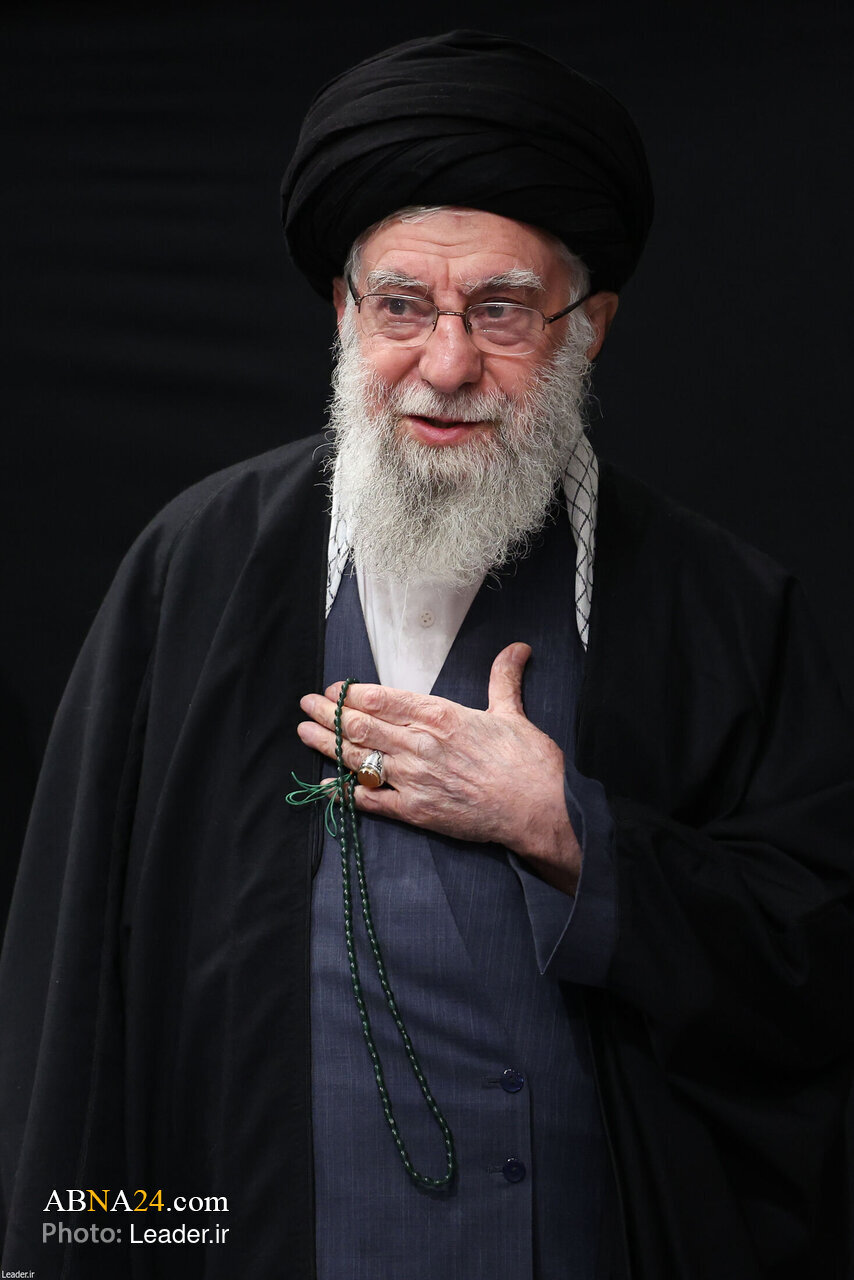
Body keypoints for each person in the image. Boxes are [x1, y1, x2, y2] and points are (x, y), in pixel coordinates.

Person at [1, 29, 852, 1280]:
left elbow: (815, 966)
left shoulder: (718, 606)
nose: (446, 365)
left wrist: (570, 832)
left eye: (498, 310)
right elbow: (80, 991)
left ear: (588, 325)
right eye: (401, 306)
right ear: (344, 312)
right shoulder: (195, 568)